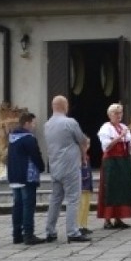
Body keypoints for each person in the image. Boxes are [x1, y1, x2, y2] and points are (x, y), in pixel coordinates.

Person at [43, 95, 91, 244]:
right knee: (73, 199)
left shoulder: (47, 124)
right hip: (70, 166)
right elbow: (82, 140)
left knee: (55, 200)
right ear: (65, 106)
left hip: (55, 166)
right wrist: (84, 153)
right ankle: (72, 232)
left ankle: (50, 231)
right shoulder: (69, 122)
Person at [6, 109, 46, 245]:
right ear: (27, 123)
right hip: (27, 175)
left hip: (14, 175)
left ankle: (17, 234)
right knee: (28, 205)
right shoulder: (29, 139)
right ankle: (28, 234)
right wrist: (42, 167)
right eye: (33, 123)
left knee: (17, 205)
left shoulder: (12, 138)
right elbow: (36, 155)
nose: (34, 126)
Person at [97, 102, 131, 229]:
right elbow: (107, 146)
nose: (119, 115)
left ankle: (118, 218)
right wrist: (120, 137)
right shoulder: (106, 128)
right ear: (110, 115)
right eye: (116, 113)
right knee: (110, 189)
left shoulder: (124, 127)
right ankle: (107, 219)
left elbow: (130, 148)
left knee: (122, 189)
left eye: (120, 113)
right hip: (111, 161)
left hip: (123, 161)